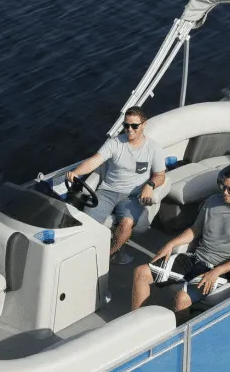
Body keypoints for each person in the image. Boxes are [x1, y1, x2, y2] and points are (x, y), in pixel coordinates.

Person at [131, 166, 230, 319]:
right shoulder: (212, 201)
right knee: (141, 273)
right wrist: (171, 244)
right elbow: (195, 230)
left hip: (219, 269)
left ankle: (181, 333)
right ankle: (137, 323)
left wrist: (217, 271)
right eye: (223, 187)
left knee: (182, 298)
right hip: (195, 259)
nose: (225, 192)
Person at [65, 107, 167, 262]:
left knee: (127, 222)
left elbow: (160, 175)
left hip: (133, 197)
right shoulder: (114, 143)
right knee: (87, 223)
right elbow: (95, 160)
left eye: (134, 126)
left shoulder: (154, 148)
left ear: (144, 124)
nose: (129, 129)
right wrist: (76, 172)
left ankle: (110, 254)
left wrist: (150, 185)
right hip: (107, 192)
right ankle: (78, 254)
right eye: (126, 125)